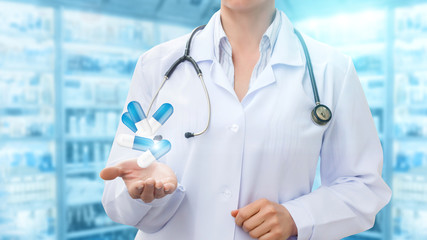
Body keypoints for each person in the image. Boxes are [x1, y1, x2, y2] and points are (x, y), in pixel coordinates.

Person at [100, 0, 392, 239]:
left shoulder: (331, 71)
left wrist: (297, 217)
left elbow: (363, 187)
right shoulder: (157, 65)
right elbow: (117, 198)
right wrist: (148, 193)